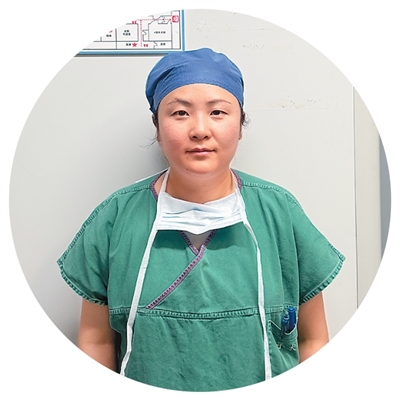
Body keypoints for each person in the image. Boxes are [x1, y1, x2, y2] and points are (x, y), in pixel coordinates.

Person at [57, 48, 345, 392]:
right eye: (180, 112)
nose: (200, 130)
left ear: (240, 125)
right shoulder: (115, 218)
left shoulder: (280, 213)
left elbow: (314, 340)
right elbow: (96, 341)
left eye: (218, 112)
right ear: (157, 126)